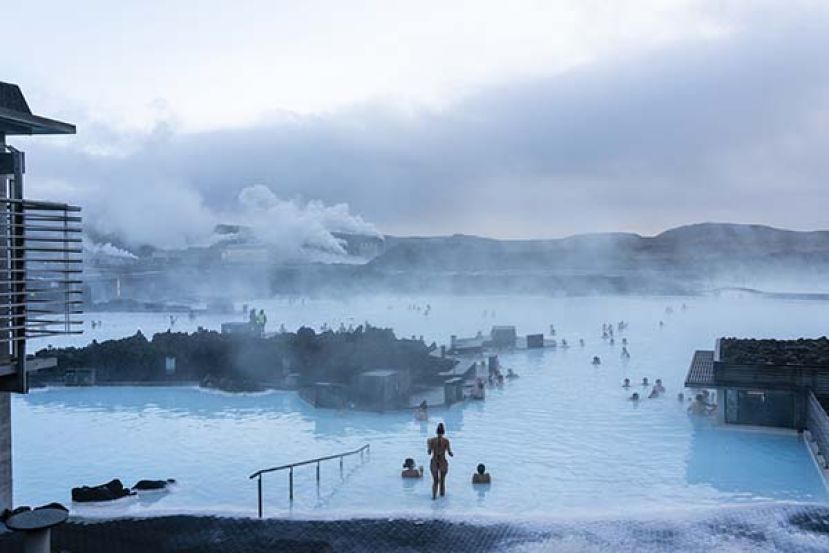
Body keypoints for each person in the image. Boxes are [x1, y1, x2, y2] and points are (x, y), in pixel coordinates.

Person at [427, 423, 453, 499]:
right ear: (443, 432)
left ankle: (434, 497)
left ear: (436, 432)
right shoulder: (446, 441)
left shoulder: (431, 440)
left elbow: (429, 453)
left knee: (435, 481)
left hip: (434, 461)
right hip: (442, 461)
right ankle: (442, 498)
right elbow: (450, 453)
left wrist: (428, 445)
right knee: (442, 481)